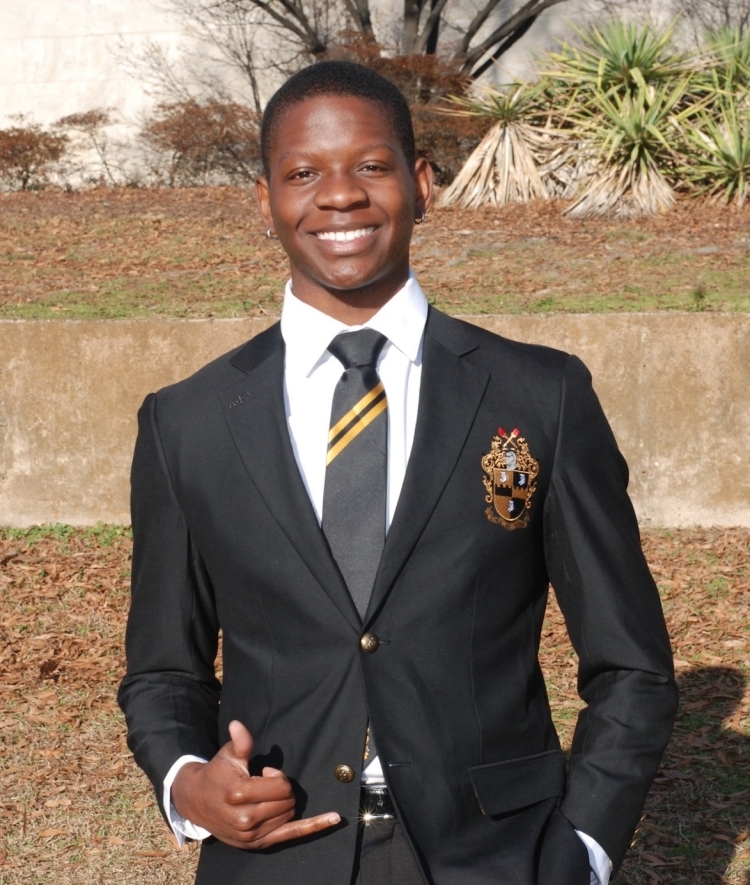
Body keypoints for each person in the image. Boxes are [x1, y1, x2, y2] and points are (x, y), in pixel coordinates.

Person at [118, 61, 678, 885]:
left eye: (370, 166)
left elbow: (632, 666)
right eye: (302, 172)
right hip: (275, 860)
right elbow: (163, 670)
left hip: (497, 858)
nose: (338, 195)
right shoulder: (186, 422)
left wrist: (583, 849)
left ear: (421, 183)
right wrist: (186, 781)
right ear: (264, 198)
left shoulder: (541, 394)